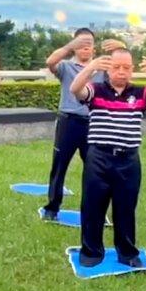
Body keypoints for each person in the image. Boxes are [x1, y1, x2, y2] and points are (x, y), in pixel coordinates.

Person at [68, 48, 146, 267]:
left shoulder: (141, 94)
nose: (121, 72)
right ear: (108, 70)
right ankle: (91, 252)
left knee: (126, 207)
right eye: (116, 67)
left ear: (132, 70)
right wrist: (91, 67)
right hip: (99, 157)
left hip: (128, 160)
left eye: (126, 68)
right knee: (92, 206)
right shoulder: (96, 90)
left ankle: (127, 252)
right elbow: (75, 89)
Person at [40, 28, 100, 221]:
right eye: (81, 44)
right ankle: (52, 207)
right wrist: (68, 47)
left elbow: (121, 74)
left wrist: (119, 48)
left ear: (94, 48)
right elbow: (50, 62)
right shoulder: (66, 67)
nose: (85, 47)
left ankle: (93, 208)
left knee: (94, 167)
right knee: (59, 165)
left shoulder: (100, 70)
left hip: (93, 123)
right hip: (68, 122)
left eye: (89, 43)